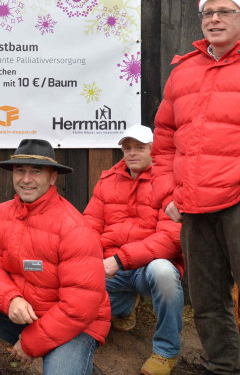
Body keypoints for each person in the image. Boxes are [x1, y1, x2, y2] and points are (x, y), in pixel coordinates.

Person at [152, 0, 240, 374]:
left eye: (224, 12)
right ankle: (221, 368)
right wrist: (168, 194)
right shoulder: (184, 70)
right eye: (207, 13)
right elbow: (164, 138)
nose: (213, 19)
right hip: (193, 206)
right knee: (207, 303)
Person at [0, 139, 110, 375]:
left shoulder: (74, 228)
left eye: (36, 171)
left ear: (52, 177)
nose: (26, 179)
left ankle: (76, 363)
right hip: (26, 312)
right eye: (20, 170)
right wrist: (11, 298)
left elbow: (79, 308)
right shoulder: (1, 213)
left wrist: (30, 343)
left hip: (76, 325)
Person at [83, 125, 184, 375]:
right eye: (127, 148)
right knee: (76, 293)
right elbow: (89, 226)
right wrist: (89, 260)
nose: (132, 153)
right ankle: (125, 307)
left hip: (147, 268)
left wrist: (120, 260)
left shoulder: (169, 181)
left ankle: (166, 351)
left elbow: (171, 238)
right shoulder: (107, 181)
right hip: (109, 266)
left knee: (164, 273)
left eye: (140, 147)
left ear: (153, 150)